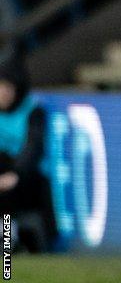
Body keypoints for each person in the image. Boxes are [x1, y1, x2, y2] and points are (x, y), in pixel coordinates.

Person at [0, 60, 56, 252]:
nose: (3, 94)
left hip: (27, 177)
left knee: (6, 193)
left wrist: (16, 174)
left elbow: (33, 148)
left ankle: (7, 240)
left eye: (7, 88)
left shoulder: (33, 112)